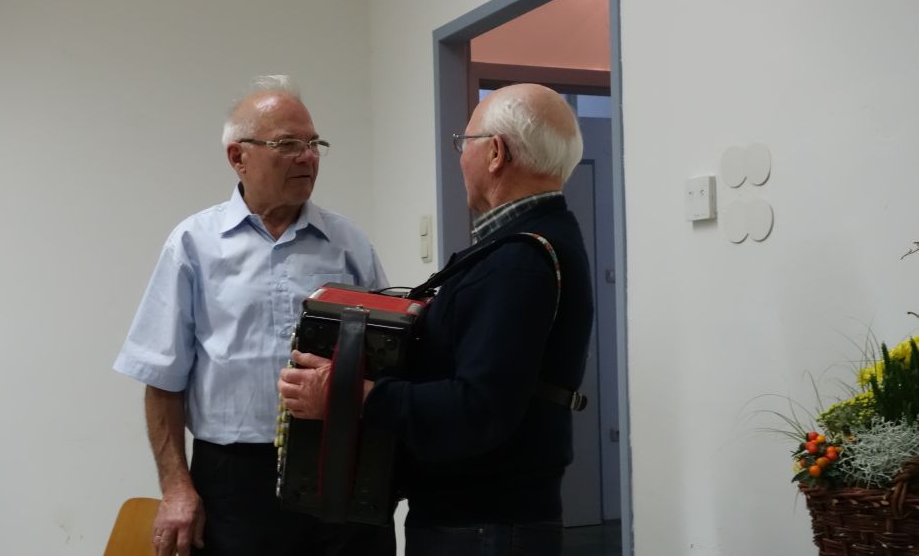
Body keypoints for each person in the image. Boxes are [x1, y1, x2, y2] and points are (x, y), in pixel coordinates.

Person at [280, 83, 595, 556]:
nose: (460, 158)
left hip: (483, 526)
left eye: (465, 143)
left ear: (495, 153)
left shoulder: (518, 261)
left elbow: (477, 409)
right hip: (484, 519)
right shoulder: (529, 246)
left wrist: (349, 393)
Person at [113, 75, 393, 556]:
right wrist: (176, 489)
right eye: (288, 144)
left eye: (314, 144)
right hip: (234, 481)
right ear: (238, 157)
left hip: (340, 463)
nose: (308, 157)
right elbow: (161, 379)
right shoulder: (193, 245)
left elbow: (386, 359)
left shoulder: (349, 244)